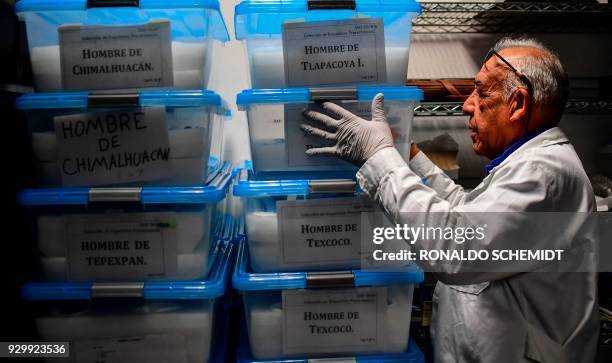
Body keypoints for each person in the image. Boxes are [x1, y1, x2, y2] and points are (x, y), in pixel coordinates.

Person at [302, 37, 599, 363]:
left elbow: (455, 244)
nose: (467, 104)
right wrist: (406, 153)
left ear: (518, 104)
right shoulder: (529, 163)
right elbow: (464, 212)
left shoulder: (544, 173)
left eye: (482, 92)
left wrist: (379, 158)